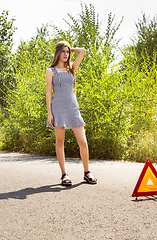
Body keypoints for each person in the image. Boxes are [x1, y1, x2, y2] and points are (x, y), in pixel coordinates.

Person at [46, 41, 97, 186]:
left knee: (83, 141)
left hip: (73, 108)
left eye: (67, 52)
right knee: (60, 142)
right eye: (62, 51)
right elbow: (48, 93)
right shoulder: (51, 70)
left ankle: (87, 172)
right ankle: (64, 175)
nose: (65, 54)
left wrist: (69, 47)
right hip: (58, 108)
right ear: (57, 53)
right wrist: (50, 113)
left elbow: (83, 51)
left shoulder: (71, 68)